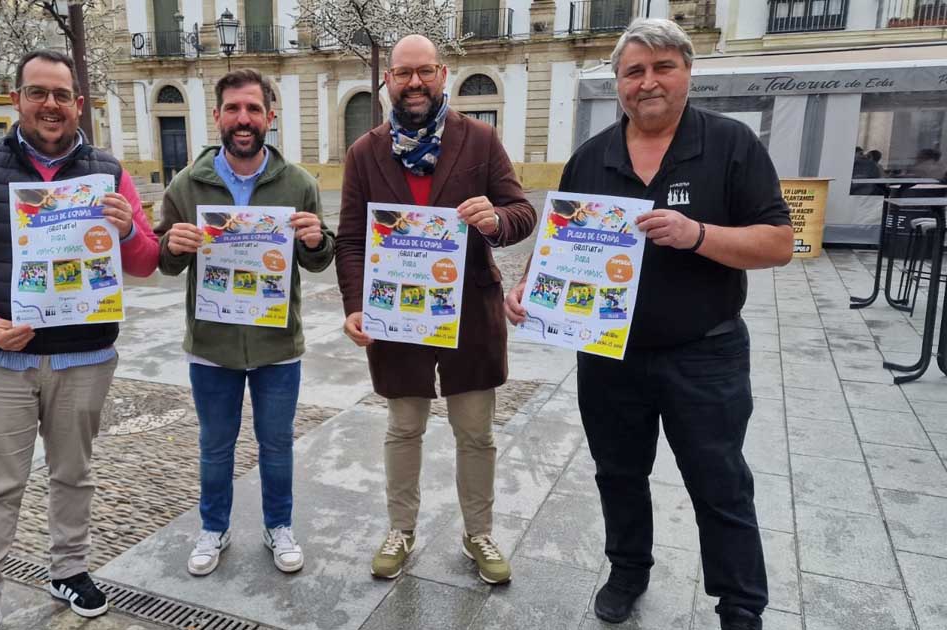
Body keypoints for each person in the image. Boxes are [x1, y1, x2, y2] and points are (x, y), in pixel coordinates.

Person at [505, 19, 791, 630]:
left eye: (663, 67)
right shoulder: (591, 156)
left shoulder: (730, 144)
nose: (648, 82)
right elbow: (562, 240)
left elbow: (778, 244)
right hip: (608, 354)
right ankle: (628, 570)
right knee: (619, 475)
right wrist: (530, 286)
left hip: (704, 354)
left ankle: (740, 606)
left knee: (721, 485)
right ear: (619, 84)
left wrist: (699, 235)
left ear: (688, 73)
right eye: (634, 71)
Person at [0, 49, 160, 630]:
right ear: (17, 100)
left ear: (79, 104)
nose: (50, 105)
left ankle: (69, 569)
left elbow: (147, 262)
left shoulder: (108, 172)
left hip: (84, 357)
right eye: (38, 93)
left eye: (61, 95)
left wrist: (128, 228)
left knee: (73, 474)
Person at [335, 34, 537, 585]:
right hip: (398, 314)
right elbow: (350, 240)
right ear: (388, 81)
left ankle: (479, 532)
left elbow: (523, 211)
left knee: (476, 431)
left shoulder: (480, 139)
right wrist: (355, 305)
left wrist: (497, 220)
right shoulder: (365, 151)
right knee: (403, 427)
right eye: (403, 73)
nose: (415, 82)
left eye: (425, 71)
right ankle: (401, 529)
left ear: (443, 74)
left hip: (470, 312)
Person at [155, 68, 334, 578]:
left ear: (269, 118)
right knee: (215, 445)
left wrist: (318, 241)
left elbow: (318, 261)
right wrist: (171, 245)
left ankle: (279, 526)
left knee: (276, 446)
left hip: (278, 343)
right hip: (212, 344)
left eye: (253, 109)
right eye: (233, 109)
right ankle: (214, 527)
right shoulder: (187, 185)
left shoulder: (298, 183)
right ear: (217, 117)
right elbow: (164, 261)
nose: (243, 119)